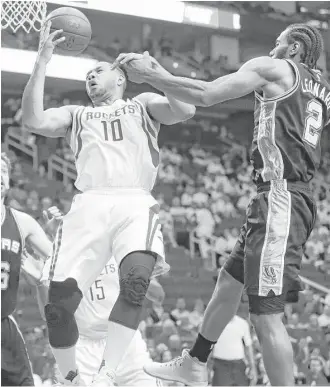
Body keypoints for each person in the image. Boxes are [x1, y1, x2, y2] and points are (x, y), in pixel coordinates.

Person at [113, 23, 330, 386]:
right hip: (284, 197)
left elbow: (208, 93)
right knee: (229, 284)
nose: (272, 50)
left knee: (265, 315)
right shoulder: (321, 89)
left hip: (281, 196)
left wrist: (156, 75)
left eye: (278, 44)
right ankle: (195, 361)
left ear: (294, 49)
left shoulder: (275, 68)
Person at [21, 22, 195, 386]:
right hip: (88, 204)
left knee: (135, 284)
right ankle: (71, 375)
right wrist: (42, 61)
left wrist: (155, 75)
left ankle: (108, 372)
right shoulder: (76, 114)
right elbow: (34, 119)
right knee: (58, 308)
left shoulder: (142, 104)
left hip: (133, 200)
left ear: (120, 79)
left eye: (98, 71)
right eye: (87, 75)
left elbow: (186, 110)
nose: (91, 77)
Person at [22, 231, 164, 386]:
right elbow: (47, 314)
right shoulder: (61, 260)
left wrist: (140, 276)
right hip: (84, 346)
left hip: (125, 340)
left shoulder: (121, 249)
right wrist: (39, 284)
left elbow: (159, 295)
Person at [1, 152, 60, 386]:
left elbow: (59, 260)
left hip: (4, 324)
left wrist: (58, 234)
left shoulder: (21, 222)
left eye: (3, 171)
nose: (0, 176)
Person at [211, 315, 257, 386]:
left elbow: (248, 347)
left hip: (239, 366)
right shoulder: (213, 322)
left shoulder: (242, 323)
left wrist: (253, 368)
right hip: (220, 366)